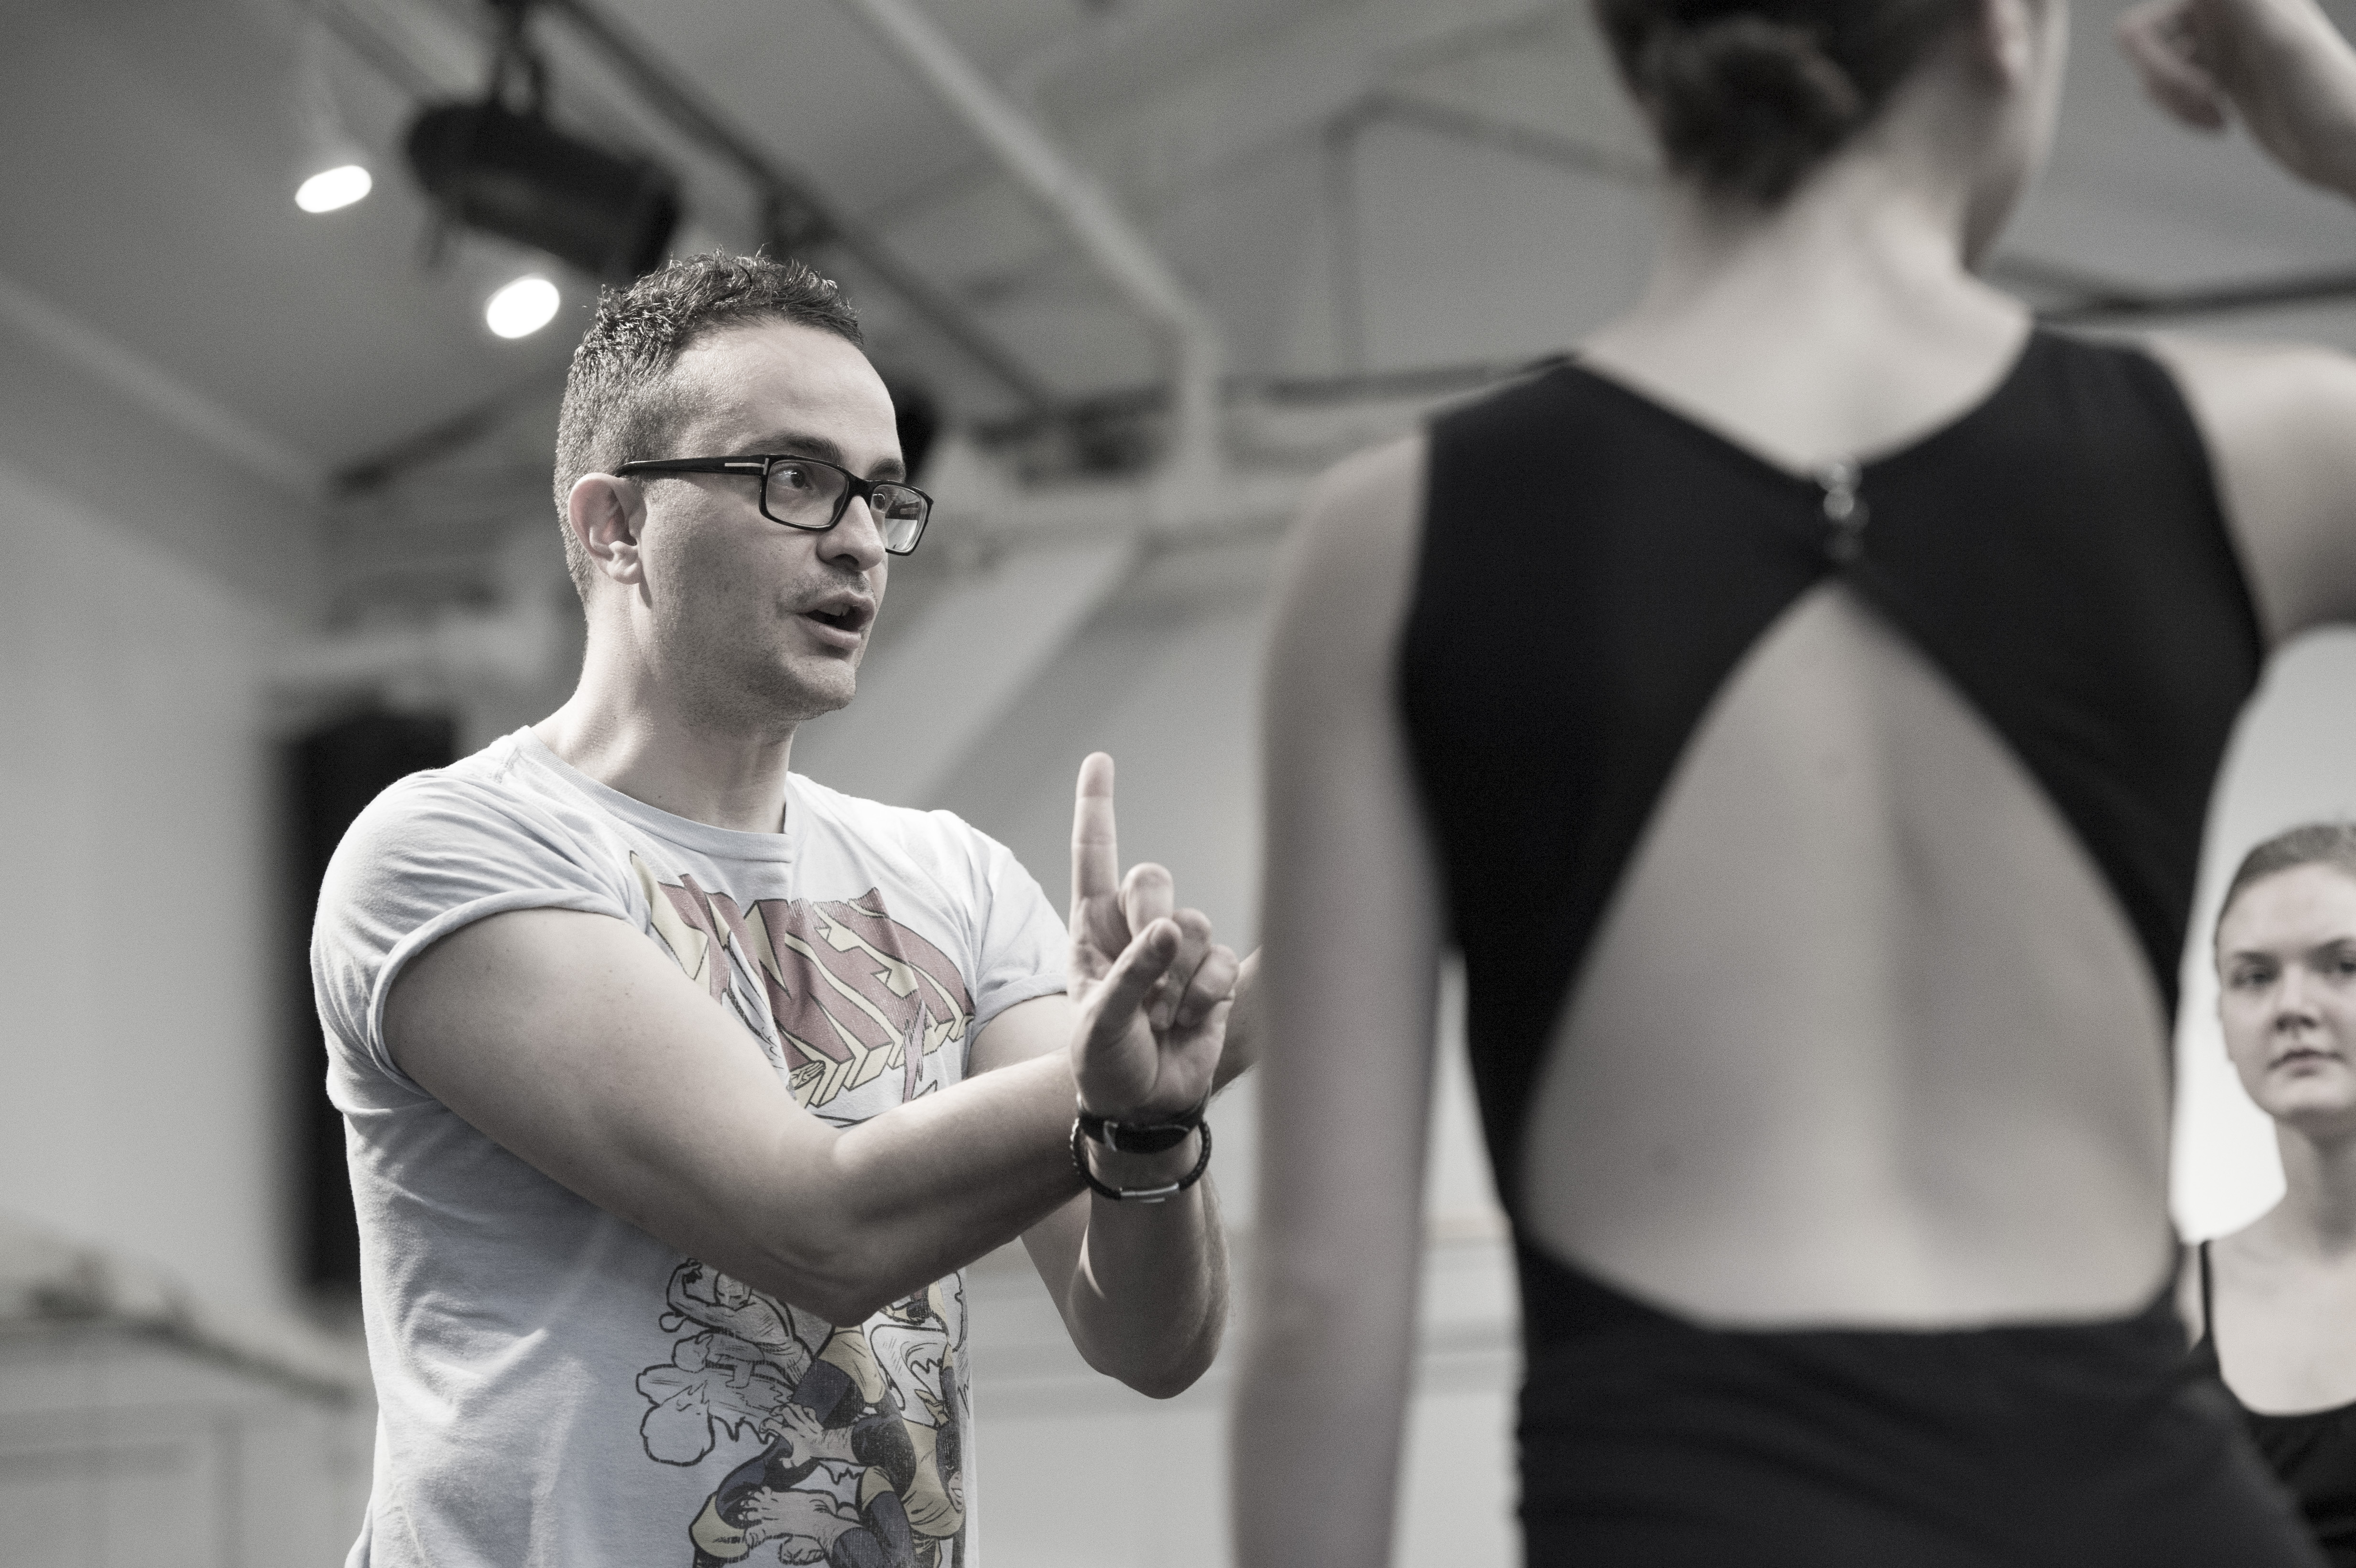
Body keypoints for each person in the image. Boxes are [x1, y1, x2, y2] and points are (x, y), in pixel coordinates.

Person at [1233, 0, 2356, 1558]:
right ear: (2005, 28)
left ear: (1630, 56)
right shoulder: (2255, 445)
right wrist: (2331, 123)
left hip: (1690, 1513)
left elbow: (1316, 1308)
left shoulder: (1392, 538)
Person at [312, 251, 1245, 1568]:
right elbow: (820, 1225)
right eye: (796, 478)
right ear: (612, 525)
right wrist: (1123, 1084)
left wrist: (1150, 1139)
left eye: (880, 493)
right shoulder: (455, 847)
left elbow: (1151, 1340)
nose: (861, 538)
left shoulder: (958, 882)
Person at [2186, 822, 2356, 1564]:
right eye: (2254, 976)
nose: (2294, 1006)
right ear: (2221, 1022)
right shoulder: (2166, 1309)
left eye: (2344, 966)